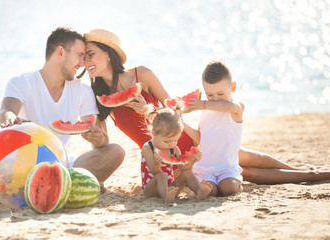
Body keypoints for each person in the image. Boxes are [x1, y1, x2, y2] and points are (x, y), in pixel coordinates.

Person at [79, 28, 330, 185]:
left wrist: (150, 112)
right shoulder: (96, 95)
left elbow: (174, 109)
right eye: (84, 57)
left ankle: (310, 172)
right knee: (246, 170)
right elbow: (101, 144)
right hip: (172, 159)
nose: (86, 61)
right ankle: (311, 176)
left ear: (108, 53)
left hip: (190, 139)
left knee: (246, 157)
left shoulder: (142, 75)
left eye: (90, 54)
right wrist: (94, 135)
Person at [0, 27, 125, 188]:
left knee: (115, 152)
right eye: (80, 56)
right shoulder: (22, 82)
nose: (83, 64)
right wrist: (11, 120)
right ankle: (62, 186)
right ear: (60, 52)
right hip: (25, 164)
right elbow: (6, 111)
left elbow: (98, 137)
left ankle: (51, 185)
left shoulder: (82, 89)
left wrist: (100, 139)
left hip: (64, 164)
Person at [183, 60, 243, 196]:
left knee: (229, 188)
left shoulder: (235, 108)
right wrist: (182, 124)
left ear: (232, 87)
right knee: (210, 191)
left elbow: (230, 106)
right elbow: (200, 139)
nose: (215, 99)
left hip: (227, 168)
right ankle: (204, 189)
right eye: (210, 95)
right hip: (205, 167)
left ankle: (237, 185)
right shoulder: (205, 111)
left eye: (220, 94)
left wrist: (204, 104)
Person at [141, 106, 212, 202]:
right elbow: (154, 171)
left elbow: (185, 168)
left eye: (175, 140)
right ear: (154, 133)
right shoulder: (148, 147)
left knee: (187, 173)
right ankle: (167, 197)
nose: (172, 144)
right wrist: (157, 163)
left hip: (171, 189)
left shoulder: (174, 149)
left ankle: (199, 191)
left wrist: (193, 160)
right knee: (162, 175)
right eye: (167, 141)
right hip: (151, 190)